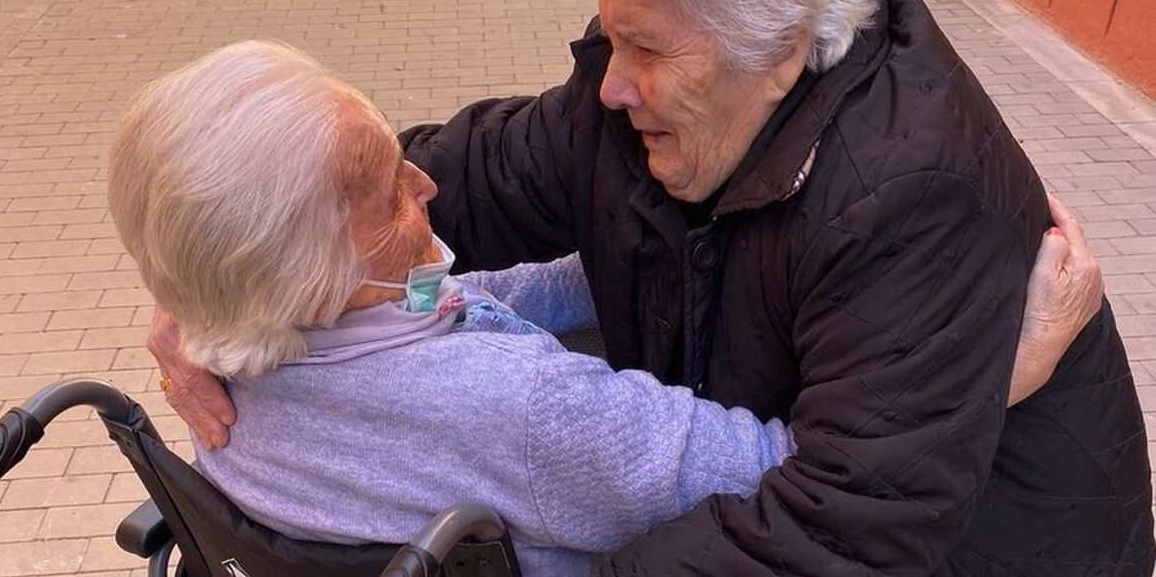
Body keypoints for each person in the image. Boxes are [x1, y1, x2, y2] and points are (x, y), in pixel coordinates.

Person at [148, 0, 1153, 574]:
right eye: (610, 36)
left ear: (780, 48)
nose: (610, 82)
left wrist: (975, 395)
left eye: (647, 48)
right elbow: (429, 183)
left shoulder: (905, 190)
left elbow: (848, 530)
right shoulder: (634, 106)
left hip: (985, 540)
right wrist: (218, 283)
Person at [110, 41, 802, 576]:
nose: (426, 182)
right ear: (306, 273)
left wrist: (642, 257)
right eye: (389, 194)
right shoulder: (531, 410)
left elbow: (476, 298)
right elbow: (778, 467)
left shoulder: (219, 345)